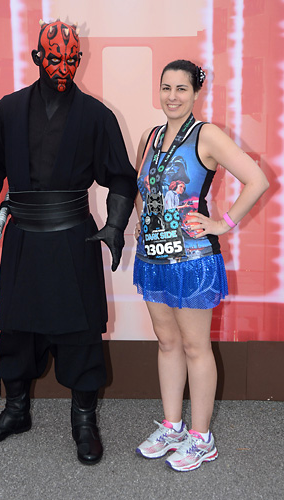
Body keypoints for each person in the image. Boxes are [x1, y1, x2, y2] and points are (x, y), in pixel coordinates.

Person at [0, 19, 137, 465]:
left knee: (81, 330)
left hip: (72, 237)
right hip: (23, 235)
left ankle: (84, 421)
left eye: (71, 60)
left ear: (78, 60)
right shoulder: (8, 109)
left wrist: (116, 225)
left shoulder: (96, 116)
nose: (63, 67)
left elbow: (121, 177)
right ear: (37, 58)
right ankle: (16, 410)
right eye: (55, 58)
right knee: (18, 328)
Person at [133, 59, 269, 472]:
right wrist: (144, 223)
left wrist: (221, 224)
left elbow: (257, 179)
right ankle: (173, 426)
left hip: (193, 260)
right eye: (166, 88)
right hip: (153, 258)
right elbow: (141, 186)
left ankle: (201, 437)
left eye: (181, 89)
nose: (172, 96)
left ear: (195, 93)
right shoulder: (149, 136)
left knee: (195, 346)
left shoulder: (206, 135)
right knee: (167, 343)